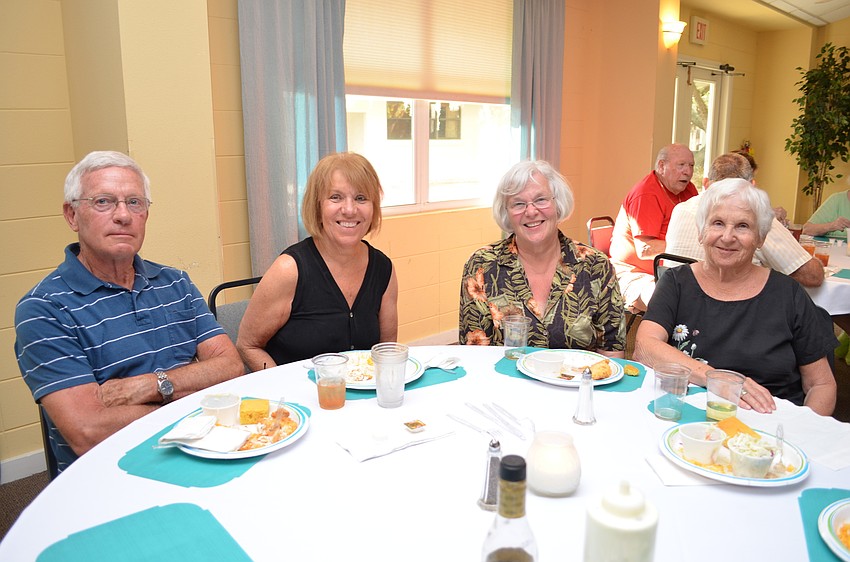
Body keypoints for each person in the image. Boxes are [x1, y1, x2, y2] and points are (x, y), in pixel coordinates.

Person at [14, 151, 245, 472]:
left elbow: (231, 366)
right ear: (72, 215)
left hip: (203, 452)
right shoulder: (43, 309)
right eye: (104, 202)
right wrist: (194, 395)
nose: (123, 215)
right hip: (114, 473)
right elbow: (88, 431)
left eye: (135, 202)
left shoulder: (175, 283)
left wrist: (150, 386)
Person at [634, 178, 837, 416]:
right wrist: (718, 379)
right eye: (717, 223)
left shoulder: (788, 294)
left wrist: (802, 436)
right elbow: (644, 347)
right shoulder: (677, 283)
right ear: (701, 232)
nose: (727, 237)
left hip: (768, 430)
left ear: (760, 238)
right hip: (689, 422)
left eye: (742, 226)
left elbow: (821, 384)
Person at [237, 152, 399, 369]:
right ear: (318, 205)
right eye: (336, 197)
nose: (350, 210)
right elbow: (247, 345)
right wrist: (286, 390)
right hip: (297, 398)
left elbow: (386, 351)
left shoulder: (383, 269)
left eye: (361, 198)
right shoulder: (289, 270)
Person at [459, 160, 625, 356]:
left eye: (540, 200)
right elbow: (474, 357)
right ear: (507, 213)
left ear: (558, 204)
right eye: (518, 204)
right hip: (506, 384)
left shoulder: (596, 266)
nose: (531, 211)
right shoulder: (482, 267)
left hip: (576, 385)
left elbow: (612, 351)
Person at [666, 152, 824, 287]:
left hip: (678, 303)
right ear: (751, 186)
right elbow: (812, 276)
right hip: (732, 309)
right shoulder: (755, 215)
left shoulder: (680, 209)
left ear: (706, 183)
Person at [609, 144, 699, 312]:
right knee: (677, 303)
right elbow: (645, 249)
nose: (688, 171)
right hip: (635, 273)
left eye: (691, 165)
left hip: (674, 270)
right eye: (681, 165)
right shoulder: (646, 194)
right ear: (661, 166)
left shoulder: (689, 190)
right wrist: (688, 248)